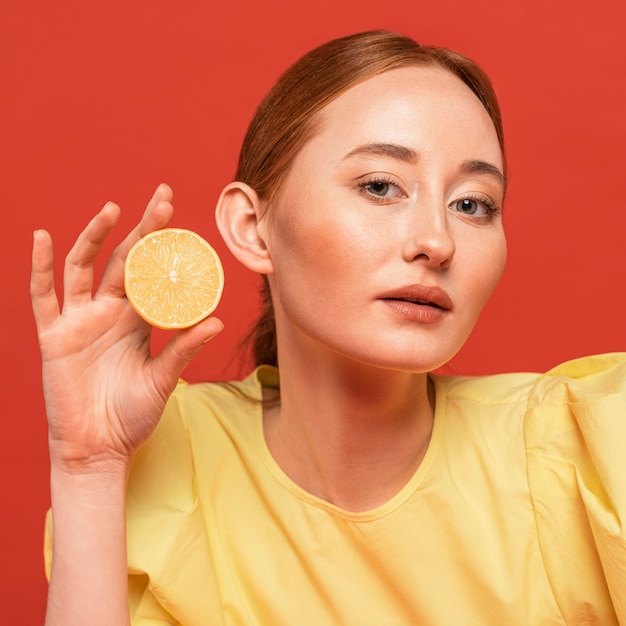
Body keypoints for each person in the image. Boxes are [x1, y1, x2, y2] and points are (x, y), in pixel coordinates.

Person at [30, 30, 625, 625]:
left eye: (472, 204)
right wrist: (89, 467)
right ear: (252, 227)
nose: (437, 242)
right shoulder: (167, 461)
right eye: (380, 186)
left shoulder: (581, 448)